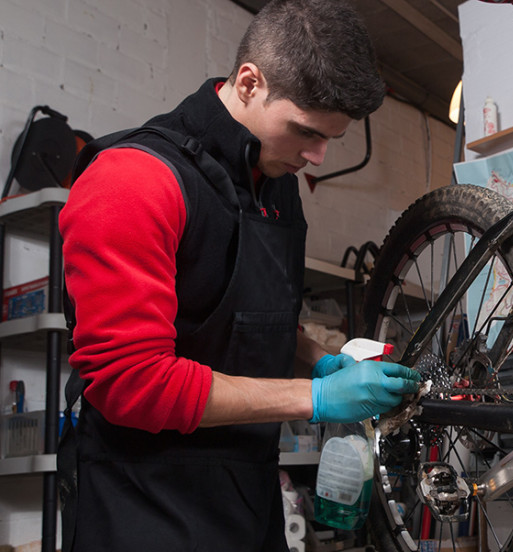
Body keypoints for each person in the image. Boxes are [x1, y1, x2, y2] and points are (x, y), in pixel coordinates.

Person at [56, 1, 421, 550]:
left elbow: (236, 319)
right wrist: (316, 398)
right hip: (143, 497)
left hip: (249, 493)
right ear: (249, 82)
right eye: (304, 131)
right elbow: (131, 382)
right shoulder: (132, 181)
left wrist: (318, 358)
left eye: (332, 138)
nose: (318, 156)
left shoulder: (274, 179)